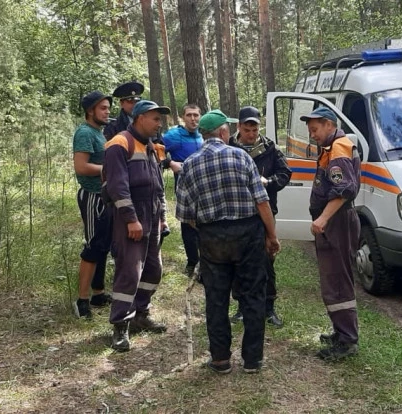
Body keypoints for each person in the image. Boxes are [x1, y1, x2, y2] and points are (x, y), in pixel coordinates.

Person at [176, 109, 281, 374]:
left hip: (211, 237)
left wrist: (209, 229)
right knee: (254, 295)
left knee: (216, 298)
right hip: (247, 234)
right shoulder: (241, 157)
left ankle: (221, 360)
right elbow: (262, 201)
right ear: (223, 132)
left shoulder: (190, 164)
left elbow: (186, 215)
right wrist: (271, 235)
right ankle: (252, 359)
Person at [102, 99, 171, 352]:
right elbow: (117, 186)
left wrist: (162, 215)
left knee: (154, 269)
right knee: (130, 271)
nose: (158, 123)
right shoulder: (119, 144)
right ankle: (120, 325)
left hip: (152, 216)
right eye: (155, 118)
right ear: (140, 118)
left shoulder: (151, 146)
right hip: (130, 216)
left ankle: (141, 313)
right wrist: (131, 219)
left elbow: (157, 186)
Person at [302, 107, 362, 361]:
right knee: (333, 279)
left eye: (315, 130)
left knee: (337, 281)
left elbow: (344, 189)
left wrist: (323, 218)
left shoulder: (338, 148)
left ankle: (347, 340)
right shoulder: (332, 147)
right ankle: (341, 332)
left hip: (337, 223)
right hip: (334, 223)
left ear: (328, 125)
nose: (312, 135)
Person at [228, 106, 292, 327]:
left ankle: (269, 308)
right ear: (239, 127)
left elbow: (285, 173)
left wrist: (269, 183)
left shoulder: (270, 148)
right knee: (239, 260)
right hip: (237, 213)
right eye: (247, 129)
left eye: (255, 129)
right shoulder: (229, 147)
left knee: (266, 259)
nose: (252, 134)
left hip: (265, 211)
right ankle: (241, 307)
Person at [72, 91, 115, 319]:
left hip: (105, 196)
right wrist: (110, 170)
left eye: (108, 108)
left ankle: (98, 293)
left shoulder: (100, 133)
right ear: (91, 111)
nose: (107, 112)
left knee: (103, 245)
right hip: (92, 197)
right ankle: (82, 300)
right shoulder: (85, 133)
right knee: (92, 247)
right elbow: (81, 167)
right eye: (103, 108)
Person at [162, 104, 204, 276]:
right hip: (185, 186)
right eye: (189, 115)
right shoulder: (174, 135)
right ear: (183, 117)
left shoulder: (202, 136)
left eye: (196, 115)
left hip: (203, 186)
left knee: (203, 224)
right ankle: (192, 262)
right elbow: (156, 149)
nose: (193, 119)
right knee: (187, 224)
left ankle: (205, 261)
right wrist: (170, 163)